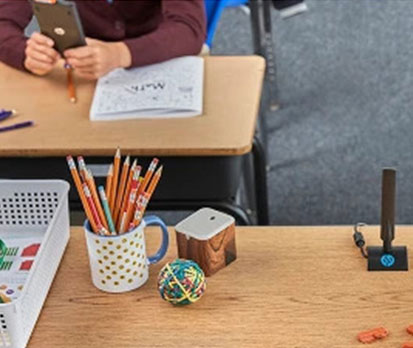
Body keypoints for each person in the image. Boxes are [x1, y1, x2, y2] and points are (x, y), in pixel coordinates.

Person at [0, 0, 206, 79]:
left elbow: (188, 28)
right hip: (79, 72)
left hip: (162, 57)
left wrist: (119, 54)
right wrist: (25, 53)